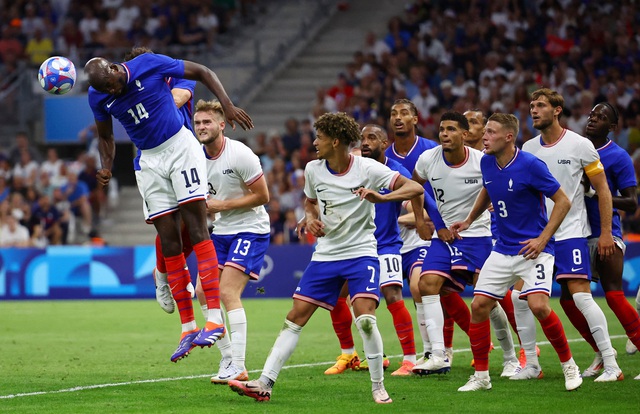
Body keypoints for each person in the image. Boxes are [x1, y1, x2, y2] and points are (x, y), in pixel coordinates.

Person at [227, 112, 423, 404]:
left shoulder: (367, 168)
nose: (313, 142)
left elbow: (414, 187)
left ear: (335, 141)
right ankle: (264, 383)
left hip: (361, 254)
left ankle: (378, 386)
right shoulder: (312, 169)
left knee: (366, 320)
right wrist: (310, 217)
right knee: (295, 317)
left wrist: (381, 198)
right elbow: (310, 201)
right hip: (326, 254)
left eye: (318, 137)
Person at [85, 52, 253, 363]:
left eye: (111, 83)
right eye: (104, 89)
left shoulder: (149, 64)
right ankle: (188, 327)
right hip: (148, 161)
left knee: (198, 226)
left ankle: (214, 318)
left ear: (114, 68)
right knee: (169, 240)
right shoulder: (98, 95)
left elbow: (202, 69)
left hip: (179, 147)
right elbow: (105, 135)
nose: (111, 91)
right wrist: (106, 165)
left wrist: (227, 105)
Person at [451, 113, 582, 392]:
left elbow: (563, 201)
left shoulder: (531, 165)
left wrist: (542, 239)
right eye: (485, 131)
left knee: (538, 306)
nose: (484, 137)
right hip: (503, 249)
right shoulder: (487, 162)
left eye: (491, 132)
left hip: (534, 250)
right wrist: (469, 220)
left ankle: (570, 367)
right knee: (478, 306)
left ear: (508, 137)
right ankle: (482, 377)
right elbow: (488, 189)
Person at [521, 88, 622, 382]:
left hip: (571, 234)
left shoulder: (580, 146)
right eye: (531, 106)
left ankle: (612, 364)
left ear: (556, 110)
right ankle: (531, 365)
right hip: (538, 236)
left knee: (581, 298)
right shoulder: (528, 149)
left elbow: (603, 190)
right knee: (519, 297)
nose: (534, 110)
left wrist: (605, 233)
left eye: (540, 105)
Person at [411, 111, 519, 378]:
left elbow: (498, 187)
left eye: (451, 129)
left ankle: (510, 357)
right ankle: (438, 355)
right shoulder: (428, 159)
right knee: (427, 284)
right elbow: (415, 188)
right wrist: (428, 223)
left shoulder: (482, 162)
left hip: (478, 236)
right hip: (443, 236)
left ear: (464, 134)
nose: (444, 134)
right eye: (441, 129)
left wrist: (492, 205)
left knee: (488, 299)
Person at [324, 124, 417, 377]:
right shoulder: (353, 169)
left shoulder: (395, 172)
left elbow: (415, 195)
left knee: (393, 296)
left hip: (386, 244)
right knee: (333, 296)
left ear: (385, 143)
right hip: (355, 246)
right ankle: (349, 353)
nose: (365, 143)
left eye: (372, 138)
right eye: (362, 138)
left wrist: (419, 218)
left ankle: (410, 359)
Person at [192, 99, 270, 384]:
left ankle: (238, 365)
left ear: (221, 125)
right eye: (198, 123)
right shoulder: (195, 158)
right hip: (222, 232)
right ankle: (227, 360)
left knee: (226, 293)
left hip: (251, 228)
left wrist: (222, 206)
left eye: (207, 122)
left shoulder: (240, 154)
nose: (202, 127)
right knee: (202, 291)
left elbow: (263, 197)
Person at [386, 99, 470, 365]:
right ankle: (438, 351)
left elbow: (433, 197)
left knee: (429, 287)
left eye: (404, 113)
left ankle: (447, 349)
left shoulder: (432, 151)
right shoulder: (383, 156)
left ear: (415, 118)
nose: (398, 118)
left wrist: (423, 220)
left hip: (438, 228)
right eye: (393, 114)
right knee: (433, 290)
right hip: (398, 234)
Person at [582, 102, 640, 380]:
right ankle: (602, 354)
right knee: (571, 300)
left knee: (614, 294)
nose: (594, 119)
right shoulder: (573, 148)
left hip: (605, 232)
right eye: (592, 114)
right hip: (573, 234)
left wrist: (596, 195)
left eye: (601, 117)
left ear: (612, 127)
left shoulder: (618, 156)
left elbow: (631, 202)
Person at [464, 108, 526, 367]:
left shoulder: (502, 157)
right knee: (481, 298)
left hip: (502, 234)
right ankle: (444, 350)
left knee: (515, 298)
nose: (467, 128)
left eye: (473, 123)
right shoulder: (482, 160)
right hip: (475, 233)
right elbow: (488, 189)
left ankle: (526, 351)